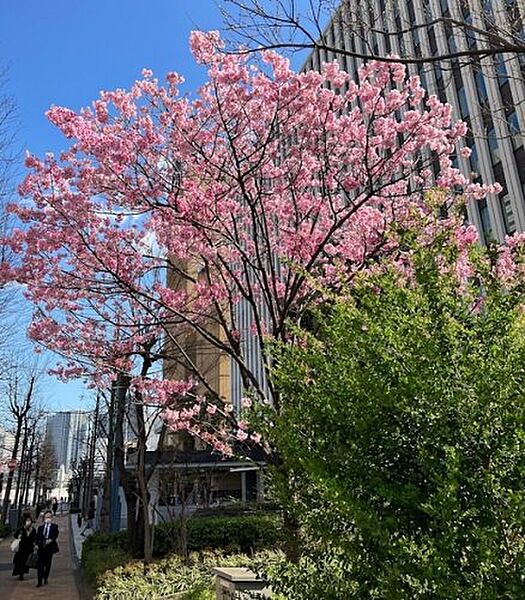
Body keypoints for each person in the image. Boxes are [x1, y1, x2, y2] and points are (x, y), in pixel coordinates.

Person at [35, 510, 59, 588]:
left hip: (50, 548)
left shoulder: (54, 526)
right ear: (44, 518)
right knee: (40, 565)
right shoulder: (40, 528)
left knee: (47, 564)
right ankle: (39, 581)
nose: (48, 518)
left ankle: (45, 577)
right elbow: (37, 537)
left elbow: (56, 535)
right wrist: (37, 544)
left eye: (49, 517)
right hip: (41, 548)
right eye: (46, 517)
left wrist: (51, 540)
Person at [12, 515, 36, 581]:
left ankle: (22, 572)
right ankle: (20, 574)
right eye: (27, 521)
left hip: (29, 548)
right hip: (21, 548)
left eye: (29, 520)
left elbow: (34, 538)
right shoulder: (21, 529)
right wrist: (19, 536)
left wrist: (35, 545)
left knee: (26, 561)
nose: (28, 522)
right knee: (20, 561)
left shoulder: (33, 530)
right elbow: (15, 535)